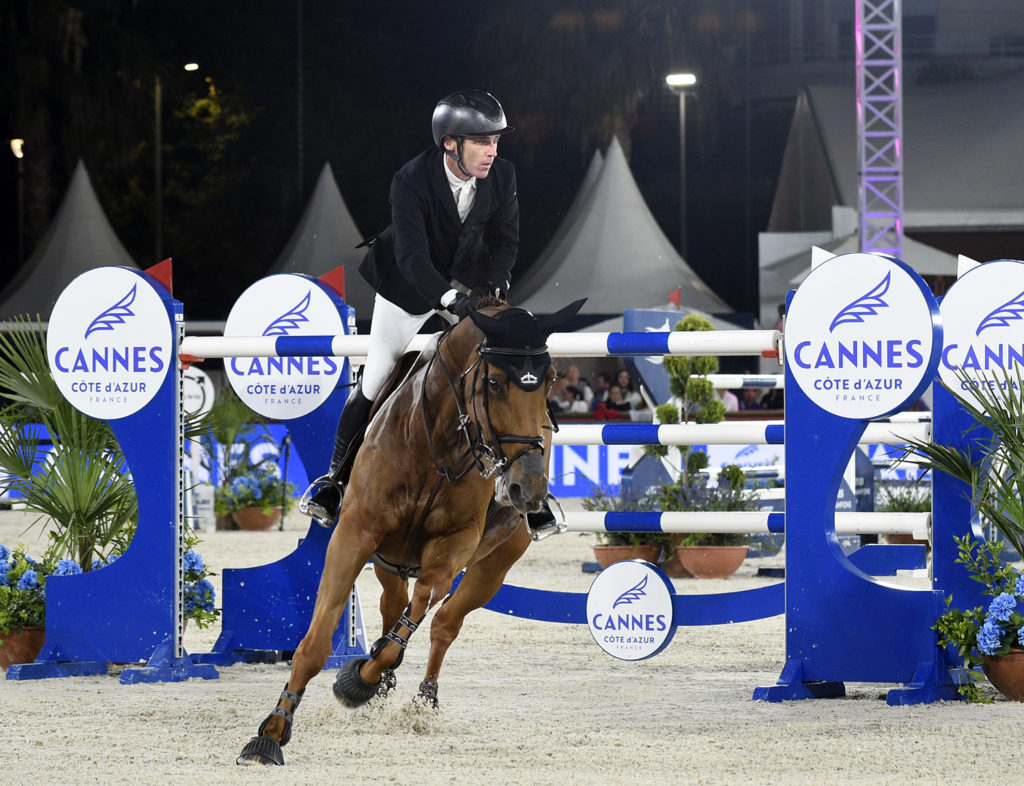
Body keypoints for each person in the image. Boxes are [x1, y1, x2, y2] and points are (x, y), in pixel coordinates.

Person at [301, 89, 522, 528]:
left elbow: (505, 244)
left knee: (508, 365)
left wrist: (489, 288)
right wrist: (448, 300)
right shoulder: (410, 179)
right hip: (409, 286)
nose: (492, 151)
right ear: (450, 143)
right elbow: (413, 257)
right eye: (482, 141)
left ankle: (522, 491)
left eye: (496, 141)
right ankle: (334, 482)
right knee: (379, 374)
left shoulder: (504, 176)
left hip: (470, 281)